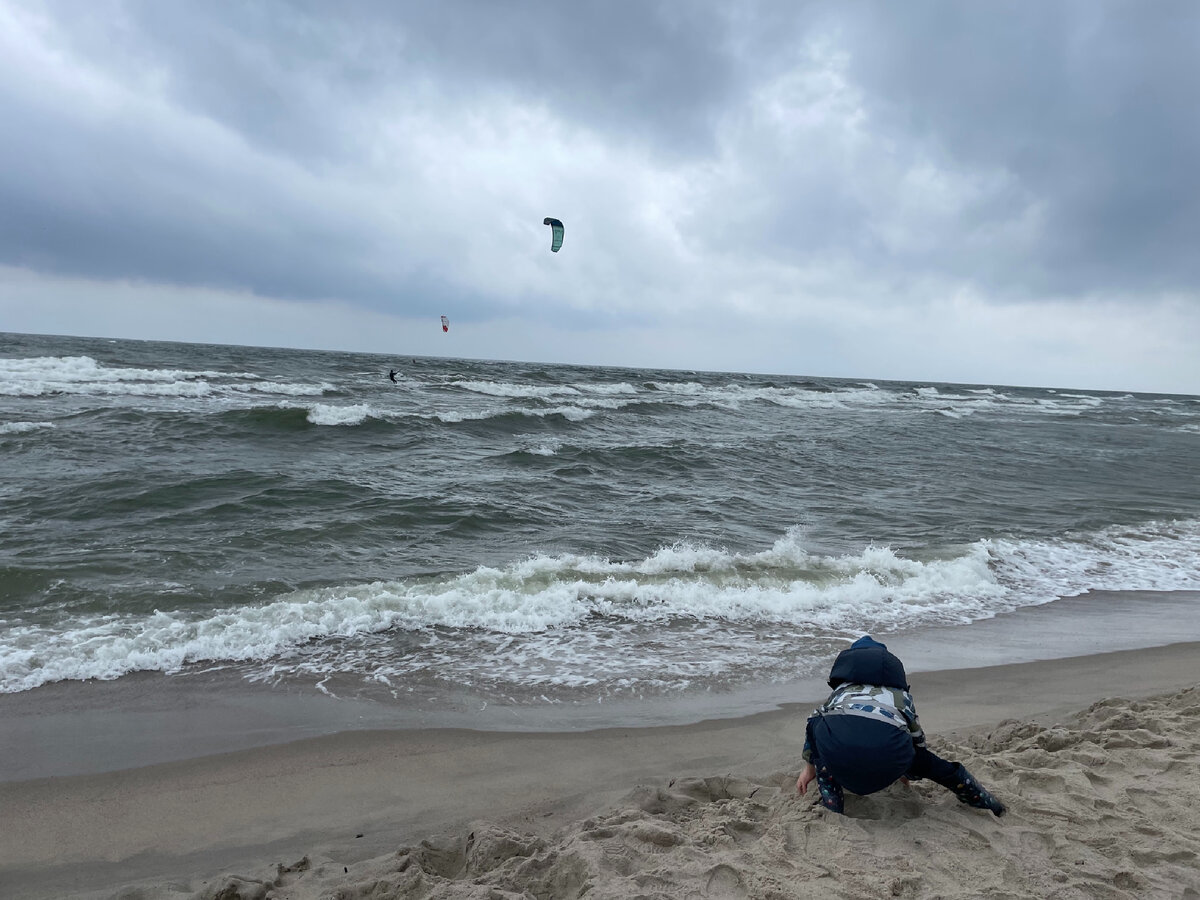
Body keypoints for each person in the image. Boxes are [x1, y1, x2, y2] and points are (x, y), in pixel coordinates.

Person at [796, 635, 1006, 817]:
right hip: (890, 755)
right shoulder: (900, 695)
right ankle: (987, 803)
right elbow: (917, 736)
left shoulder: (841, 691)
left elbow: (813, 723)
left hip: (838, 754)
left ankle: (832, 803)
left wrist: (809, 766)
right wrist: (908, 767)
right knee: (944, 771)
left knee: (819, 725)